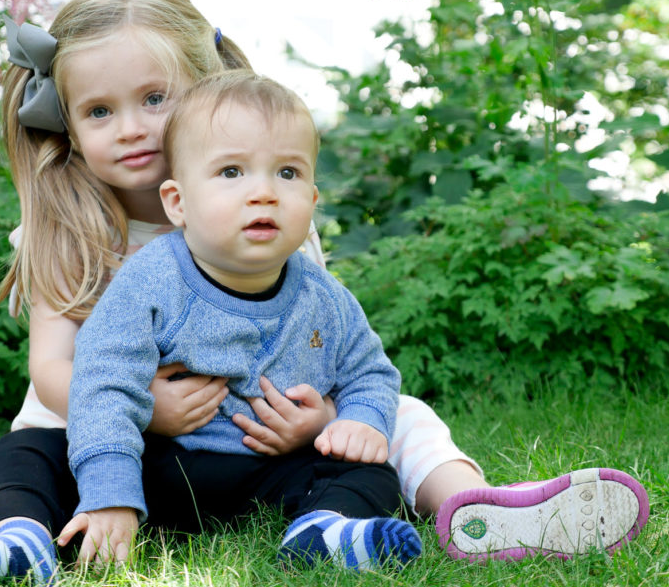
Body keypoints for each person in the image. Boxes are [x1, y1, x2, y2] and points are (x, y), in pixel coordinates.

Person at [0, 0, 648, 587]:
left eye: (155, 99)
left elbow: (322, 339)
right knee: (8, 456)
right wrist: (142, 404)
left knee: (400, 415)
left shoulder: (265, 199)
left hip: (255, 437)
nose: (134, 128)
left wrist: (320, 416)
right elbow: (52, 374)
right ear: (66, 121)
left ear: (205, 88)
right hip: (106, 434)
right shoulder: (70, 220)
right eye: (100, 111)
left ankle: (470, 509)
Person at [55, 69, 424, 572]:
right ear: (178, 203)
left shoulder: (324, 297)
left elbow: (370, 373)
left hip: (273, 474)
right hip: (165, 469)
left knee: (375, 472)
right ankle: (24, 536)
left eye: (288, 174)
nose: (264, 192)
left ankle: (324, 532)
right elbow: (104, 384)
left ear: (312, 203)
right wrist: (112, 492)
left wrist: (357, 420)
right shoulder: (152, 282)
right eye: (232, 172)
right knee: (31, 450)